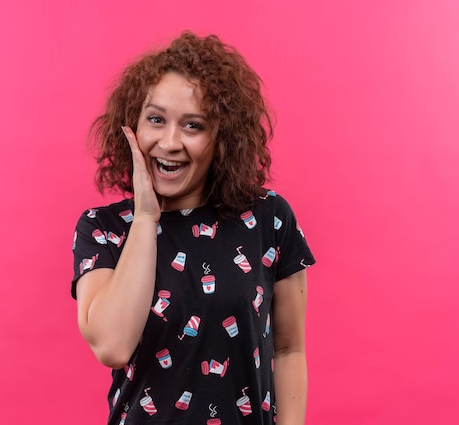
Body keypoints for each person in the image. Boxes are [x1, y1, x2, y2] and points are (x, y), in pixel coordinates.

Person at [71, 31, 315, 425]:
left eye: (193, 126)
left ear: (222, 138)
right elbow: (112, 346)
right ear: (131, 126)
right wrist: (147, 218)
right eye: (156, 120)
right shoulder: (104, 229)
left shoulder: (269, 220)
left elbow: (289, 349)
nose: (169, 142)